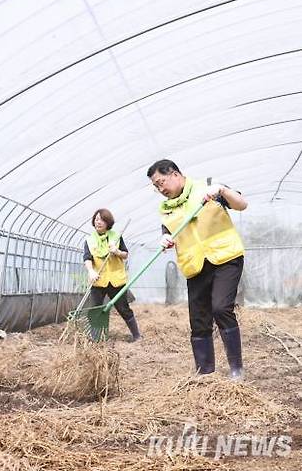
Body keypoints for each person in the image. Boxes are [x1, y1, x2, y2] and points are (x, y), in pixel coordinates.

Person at [147, 159, 247, 379]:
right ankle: (205, 373)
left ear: (174, 174)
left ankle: (236, 369)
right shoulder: (166, 209)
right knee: (199, 321)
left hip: (225, 258)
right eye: (156, 187)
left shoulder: (208, 187)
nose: (160, 189)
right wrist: (165, 239)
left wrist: (222, 190)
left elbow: (241, 204)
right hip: (195, 265)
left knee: (221, 308)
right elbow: (168, 231)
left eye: (161, 182)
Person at [83, 209, 141, 341]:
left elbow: (125, 254)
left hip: (116, 280)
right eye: (96, 219)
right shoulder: (90, 239)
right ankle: (95, 338)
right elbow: (87, 257)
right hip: (98, 280)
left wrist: (116, 251)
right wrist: (91, 271)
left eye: (102, 219)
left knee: (123, 309)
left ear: (108, 222)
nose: (98, 222)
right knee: (95, 310)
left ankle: (137, 335)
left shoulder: (116, 236)